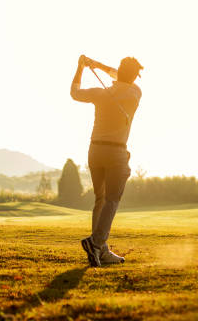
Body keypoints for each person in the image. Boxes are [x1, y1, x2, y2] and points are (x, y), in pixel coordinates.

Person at [71, 54, 143, 267]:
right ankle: (96, 243)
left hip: (95, 150)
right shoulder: (135, 92)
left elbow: (74, 93)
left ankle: (101, 252)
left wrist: (82, 67)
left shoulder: (101, 93)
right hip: (116, 153)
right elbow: (119, 74)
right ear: (134, 76)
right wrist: (98, 65)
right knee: (112, 199)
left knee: (100, 200)